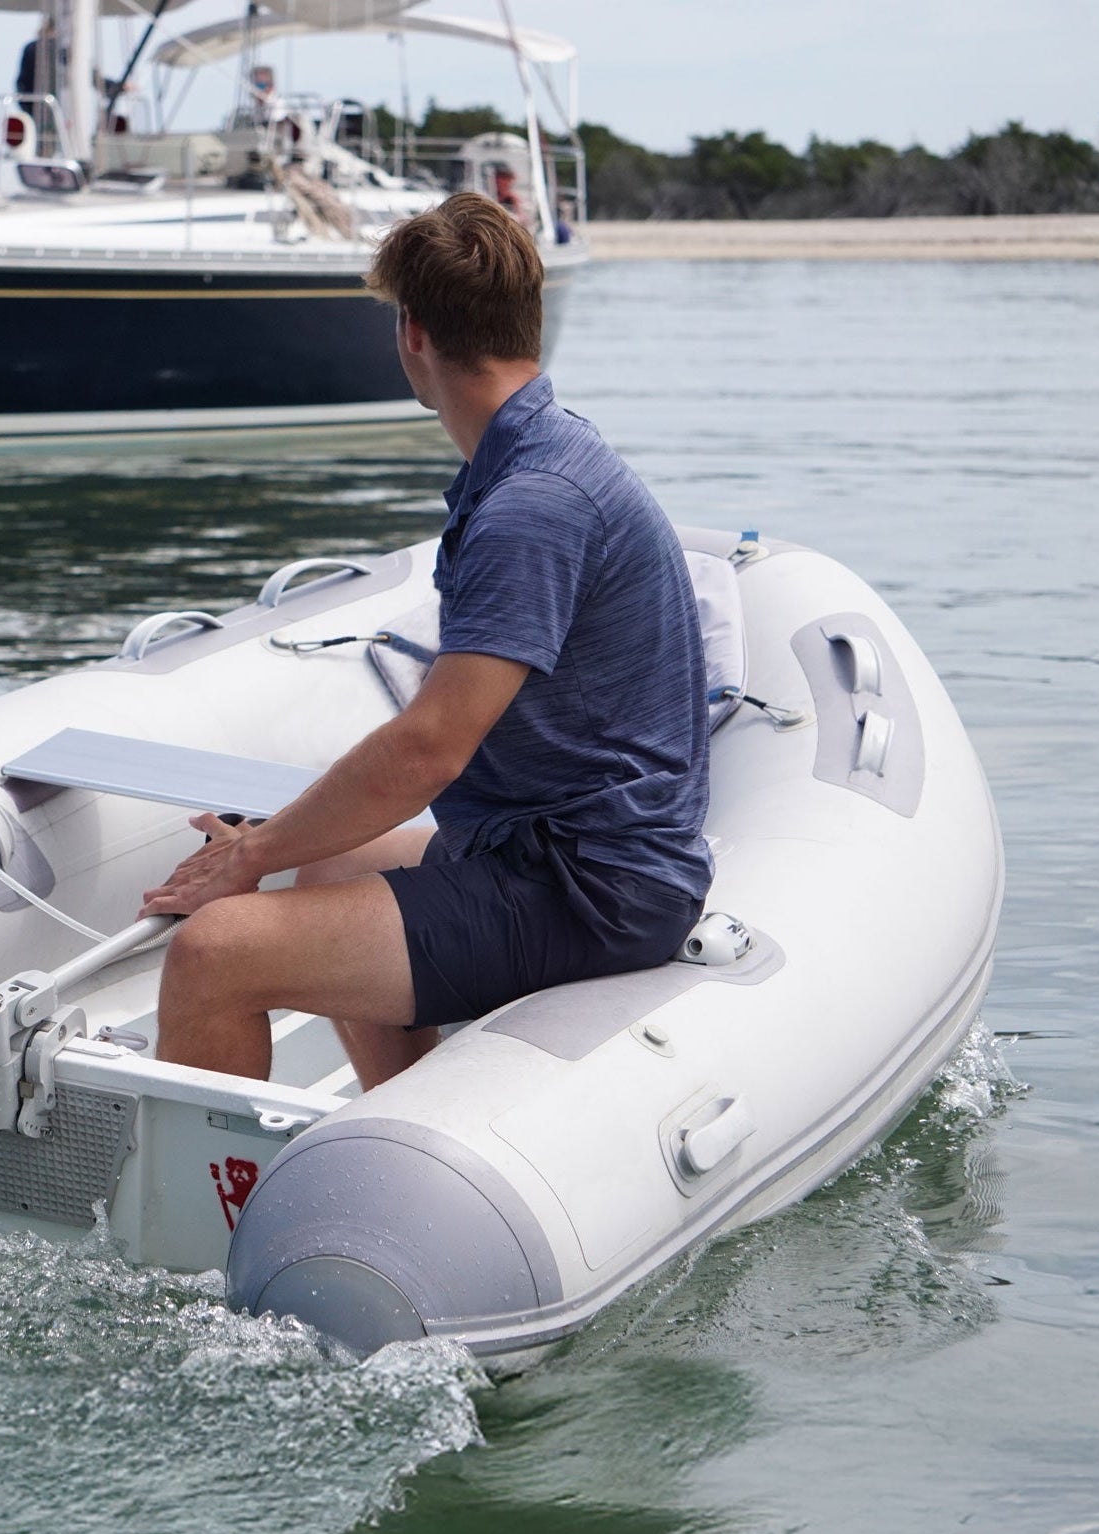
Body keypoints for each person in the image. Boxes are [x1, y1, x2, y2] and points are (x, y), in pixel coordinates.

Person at [140, 191, 709, 1086]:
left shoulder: (533, 506)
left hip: (586, 889)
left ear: (412, 333)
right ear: (530, 319)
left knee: (216, 953)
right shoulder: (548, 456)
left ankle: (220, 1226)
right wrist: (289, 837)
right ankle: (402, 1110)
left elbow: (429, 750)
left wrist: (249, 857)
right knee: (330, 855)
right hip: (566, 853)